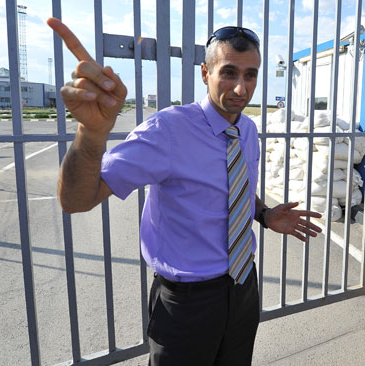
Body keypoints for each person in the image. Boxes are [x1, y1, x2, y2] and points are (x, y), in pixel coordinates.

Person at [46, 18, 323, 366]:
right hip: (186, 305)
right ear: (205, 73)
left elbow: (235, 190)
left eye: (250, 75)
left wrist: (264, 215)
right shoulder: (168, 130)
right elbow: (76, 200)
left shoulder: (248, 129)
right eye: (229, 73)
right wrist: (91, 133)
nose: (241, 88)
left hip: (242, 289)